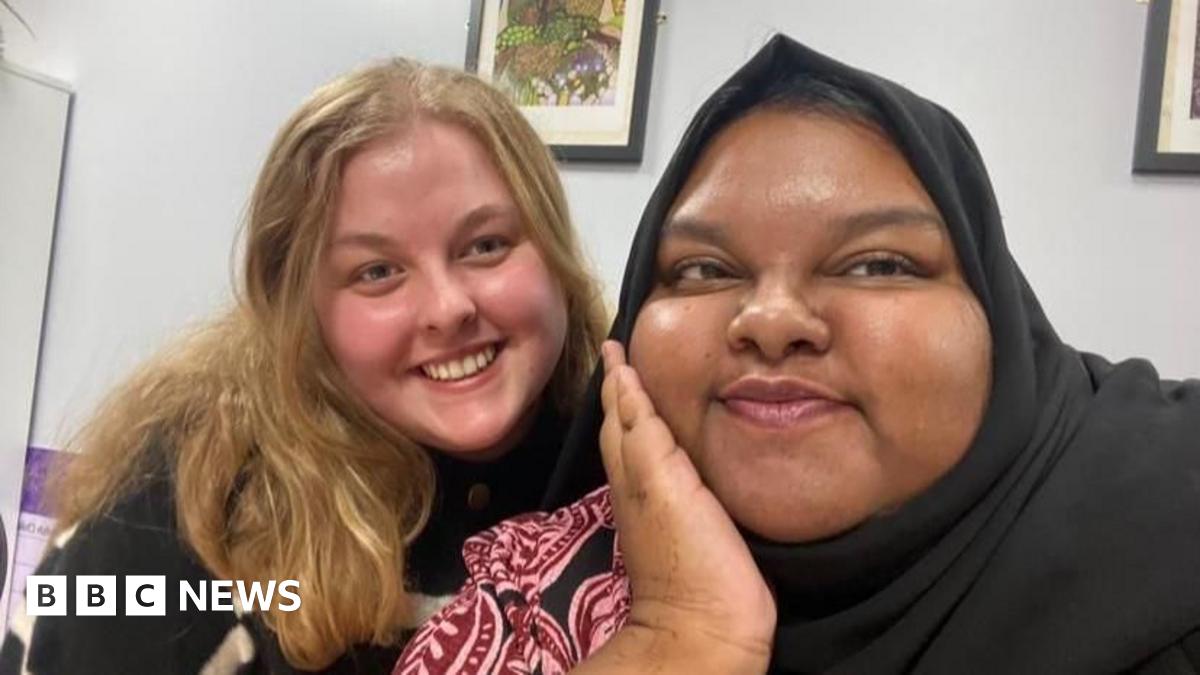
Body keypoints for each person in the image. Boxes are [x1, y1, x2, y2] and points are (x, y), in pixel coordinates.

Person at [395, 34, 1200, 674]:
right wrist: (679, 637)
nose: (771, 320)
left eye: (877, 264)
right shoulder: (523, 600)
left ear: (997, 314)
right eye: (703, 269)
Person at [0, 58, 606, 674]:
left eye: (486, 245)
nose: (449, 309)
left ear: (556, 252)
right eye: (377, 272)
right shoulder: (166, 521)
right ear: (300, 310)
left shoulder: (627, 469)